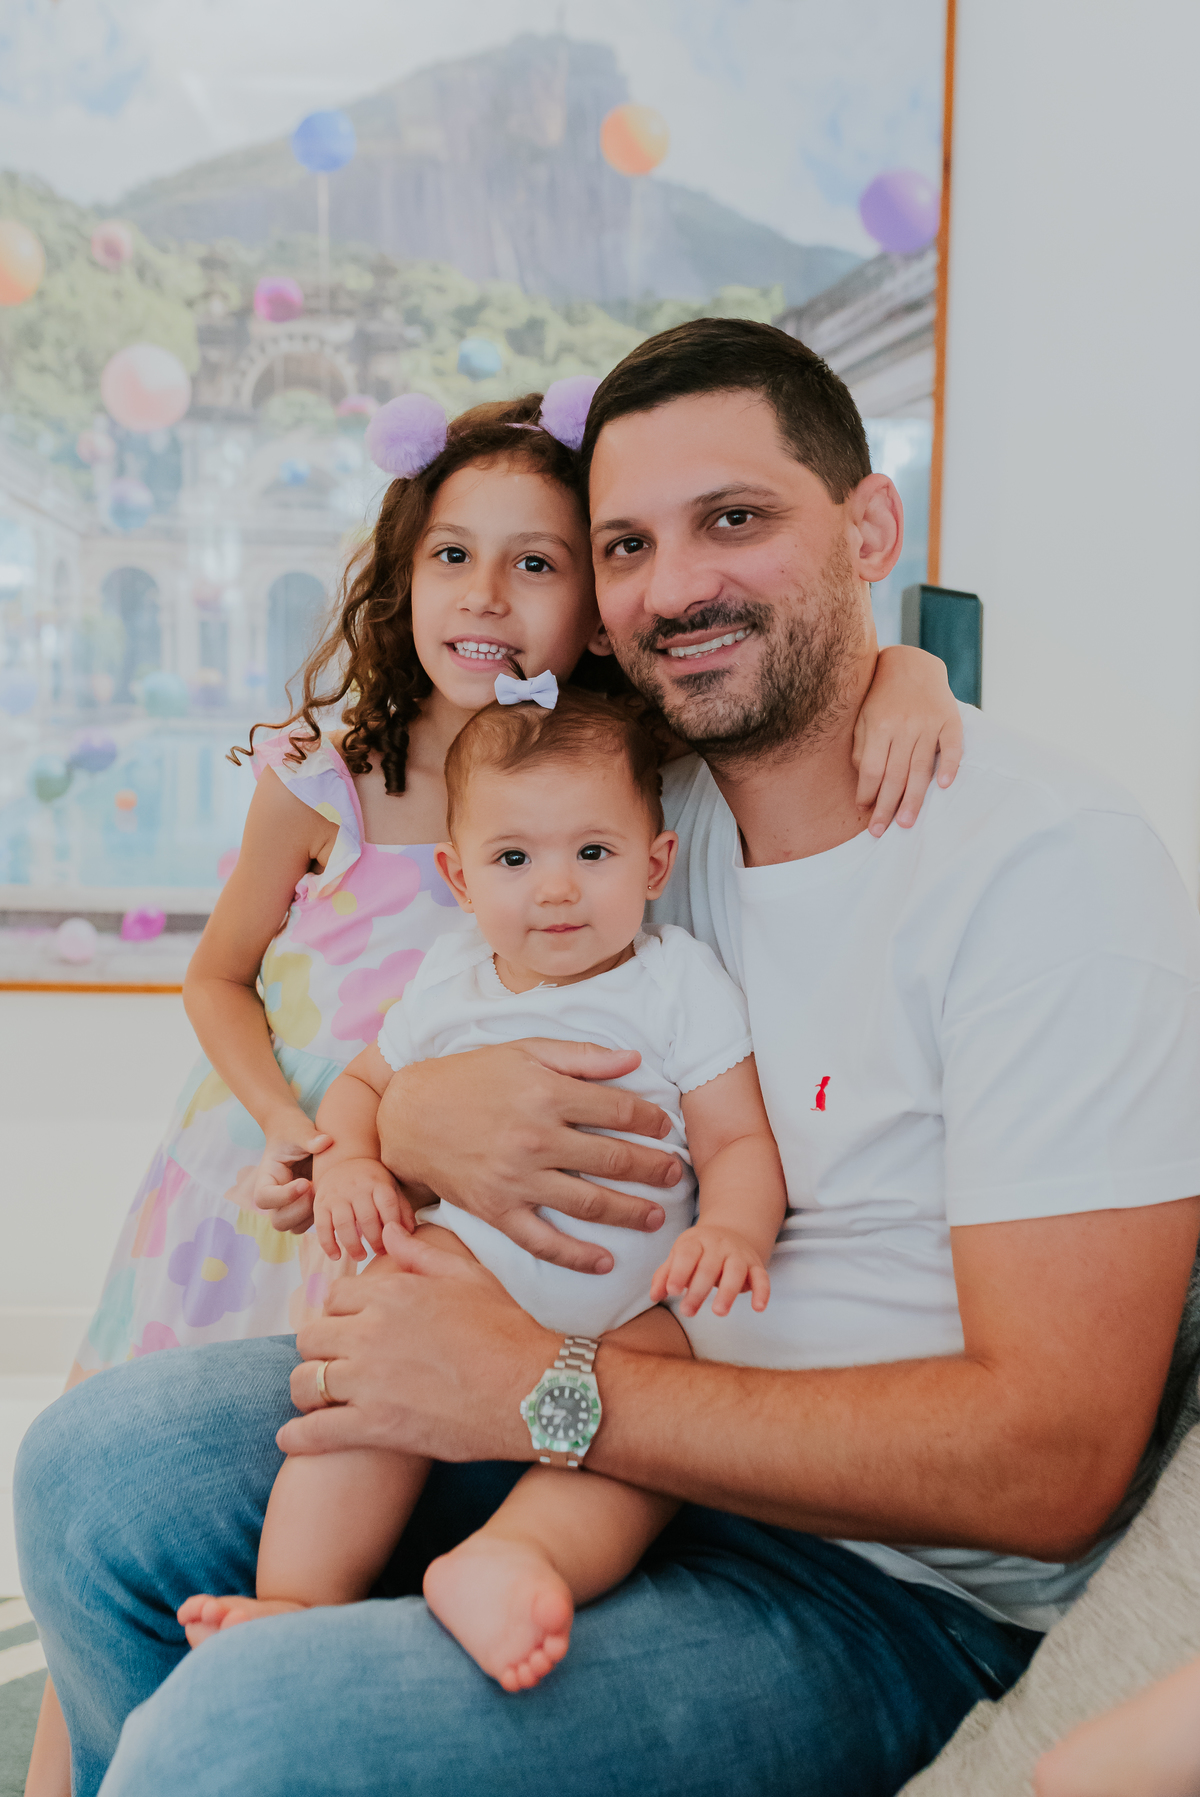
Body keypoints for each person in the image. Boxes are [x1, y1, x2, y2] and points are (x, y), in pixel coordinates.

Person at [22, 317, 1197, 1797]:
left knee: (243, 1734)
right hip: (590, 1429)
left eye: (737, 519)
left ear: (868, 526)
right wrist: (421, 1121)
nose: (675, 585)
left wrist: (542, 1388)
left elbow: (1051, 1462)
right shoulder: (650, 813)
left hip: (870, 1582)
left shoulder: (1051, 877)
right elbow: (456, 948)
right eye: (627, 544)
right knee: (92, 1470)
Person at [178, 678, 787, 1692]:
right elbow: (365, 1089)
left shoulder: (679, 981)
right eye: (515, 859)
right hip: (464, 1278)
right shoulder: (451, 980)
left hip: (635, 1307)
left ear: (655, 861)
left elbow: (739, 1142)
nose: (555, 890)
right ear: (460, 877)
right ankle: (293, 1598)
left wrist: (731, 1232)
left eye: (592, 854)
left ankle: (513, 1561)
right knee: (356, 1398)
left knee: (640, 1458)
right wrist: (356, 1164)